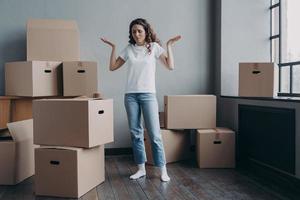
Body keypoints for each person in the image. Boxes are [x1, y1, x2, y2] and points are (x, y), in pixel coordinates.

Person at [101, 18, 181, 182]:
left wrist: (169, 46)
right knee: (136, 133)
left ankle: (163, 170)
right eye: (133, 31)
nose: (136, 34)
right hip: (130, 95)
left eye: (139, 31)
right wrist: (114, 48)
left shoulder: (154, 48)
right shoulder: (129, 49)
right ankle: (141, 169)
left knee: (155, 134)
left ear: (146, 32)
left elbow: (170, 66)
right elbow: (112, 67)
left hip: (148, 95)